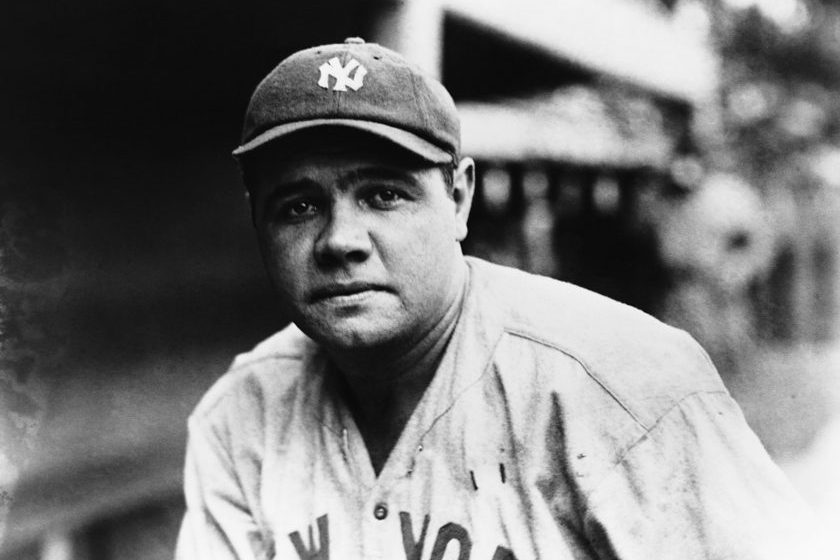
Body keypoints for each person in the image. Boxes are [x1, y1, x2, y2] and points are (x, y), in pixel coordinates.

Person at [176, 38, 831, 559]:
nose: (340, 240)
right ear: (256, 222)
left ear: (459, 198)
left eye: (383, 194)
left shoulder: (626, 389)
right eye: (297, 206)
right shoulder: (241, 418)